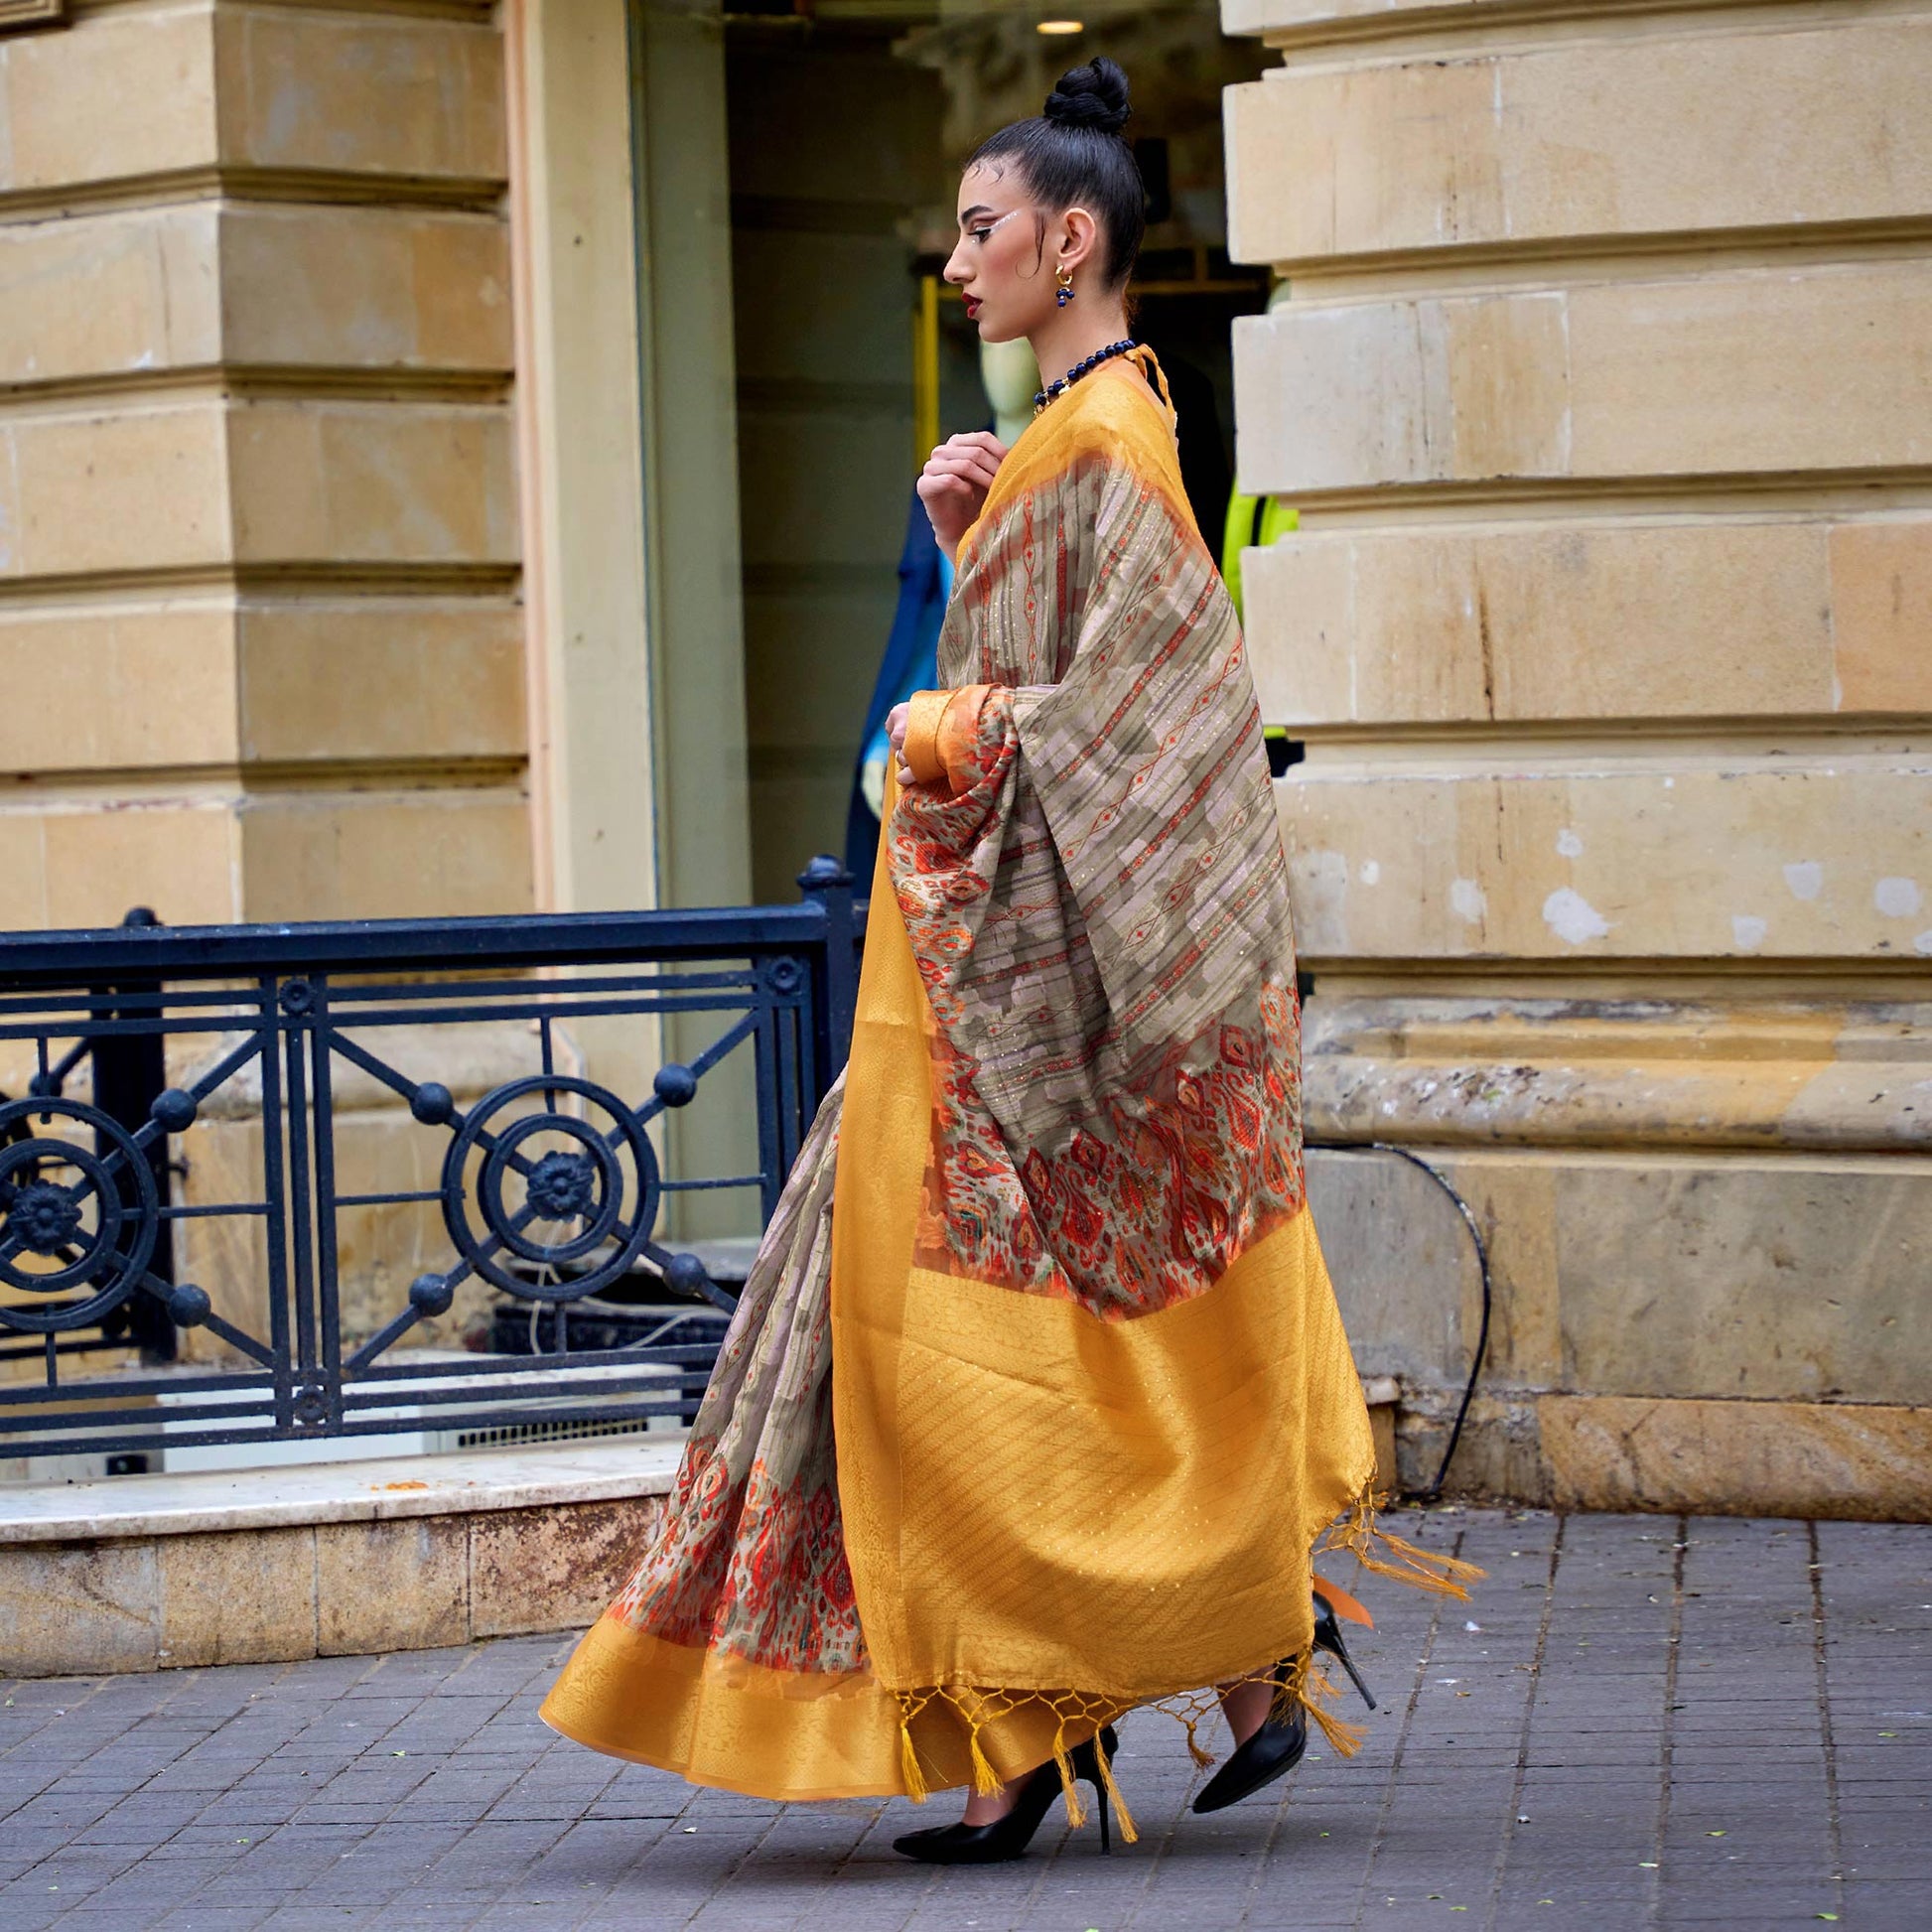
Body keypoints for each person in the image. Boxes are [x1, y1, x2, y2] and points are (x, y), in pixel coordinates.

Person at [541, 56, 1476, 1865]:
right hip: (957, 981)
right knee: (997, 1352)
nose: (954, 263)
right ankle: (1219, 1661)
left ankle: (1077, 1714)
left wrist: (933, 731)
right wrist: (974, 551)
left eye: (979, 233)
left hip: (985, 997)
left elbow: (1155, 722)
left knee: (951, 1360)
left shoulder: (1112, 440)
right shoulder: (1068, 438)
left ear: (1068, 239)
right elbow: (1066, 671)